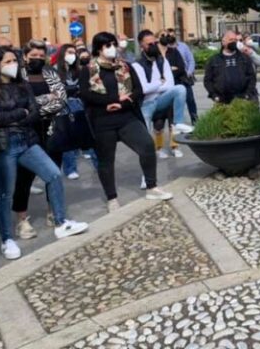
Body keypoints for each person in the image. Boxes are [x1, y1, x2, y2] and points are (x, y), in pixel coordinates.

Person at [0, 47, 88, 260]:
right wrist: (22, 113)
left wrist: (19, 115)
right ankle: (7, 239)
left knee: (53, 174)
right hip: (5, 146)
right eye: (8, 61)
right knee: (6, 193)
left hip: (28, 141)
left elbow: (36, 112)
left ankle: (60, 222)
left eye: (15, 60)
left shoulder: (22, 84)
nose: (13, 64)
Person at [79, 32, 173, 211]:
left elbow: (138, 90)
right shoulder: (89, 69)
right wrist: (111, 100)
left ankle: (152, 187)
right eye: (107, 45)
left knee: (146, 145)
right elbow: (85, 94)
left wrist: (123, 100)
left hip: (126, 117)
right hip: (103, 120)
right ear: (99, 48)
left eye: (113, 44)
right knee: (106, 160)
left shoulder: (125, 66)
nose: (112, 48)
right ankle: (111, 197)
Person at [11, 39, 69, 239]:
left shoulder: (50, 73)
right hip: (26, 132)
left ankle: (53, 211)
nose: (37, 59)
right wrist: (46, 99)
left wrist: (35, 108)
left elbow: (61, 100)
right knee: (24, 177)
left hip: (52, 130)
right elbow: (17, 104)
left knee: (53, 172)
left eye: (40, 55)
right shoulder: (17, 75)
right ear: (25, 56)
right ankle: (22, 219)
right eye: (33, 55)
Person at [131, 30, 194, 136]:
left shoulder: (162, 61)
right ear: (142, 45)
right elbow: (144, 89)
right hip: (146, 103)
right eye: (149, 44)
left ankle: (178, 123)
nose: (153, 46)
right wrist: (160, 82)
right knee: (146, 137)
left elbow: (170, 84)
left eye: (155, 43)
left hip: (161, 99)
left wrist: (155, 85)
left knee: (180, 89)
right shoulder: (137, 64)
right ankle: (153, 150)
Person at [56, 44, 98, 177]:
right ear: (62, 54)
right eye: (69, 52)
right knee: (68, 140)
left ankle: (99, 165)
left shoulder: (80, 71)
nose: (72, 55)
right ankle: (70, 169)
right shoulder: (55, 72)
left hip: (81, 106)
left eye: (74, 53)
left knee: (91, 138)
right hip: (64, 108)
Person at [204, 31, 258, 104]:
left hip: (243, 99)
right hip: (222, 100)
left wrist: (247, 94)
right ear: (223, 42)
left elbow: (252, 77)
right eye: (231, 40)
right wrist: (214, 95)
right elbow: (208, 80)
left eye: (235, 40)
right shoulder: (214, 60)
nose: (234, 42)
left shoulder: (244, 58)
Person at [166, 28, 198, 124]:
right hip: (173, 79)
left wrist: (189, 72)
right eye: (169, 35)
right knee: (174, 102)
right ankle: (176, 123)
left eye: (172, 34)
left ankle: (195, 120)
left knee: (190, 100)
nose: (171, 36)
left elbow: (191, 60)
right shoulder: (166, 49)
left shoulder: (183, 46)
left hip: (184, 77)